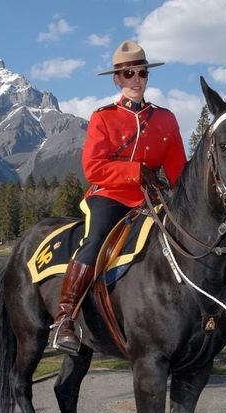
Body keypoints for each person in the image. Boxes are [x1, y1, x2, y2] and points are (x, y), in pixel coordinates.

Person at [51, 40, 187, 352]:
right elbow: (93, 168)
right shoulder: (103, 117)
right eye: (128, 74)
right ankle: (64, 318)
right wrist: (135, 172)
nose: (136, 80)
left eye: (141, 73)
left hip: (151, 200)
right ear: (117, 79)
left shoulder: (165, 119)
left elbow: (178, 172)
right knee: (95, 240)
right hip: (110, 195)